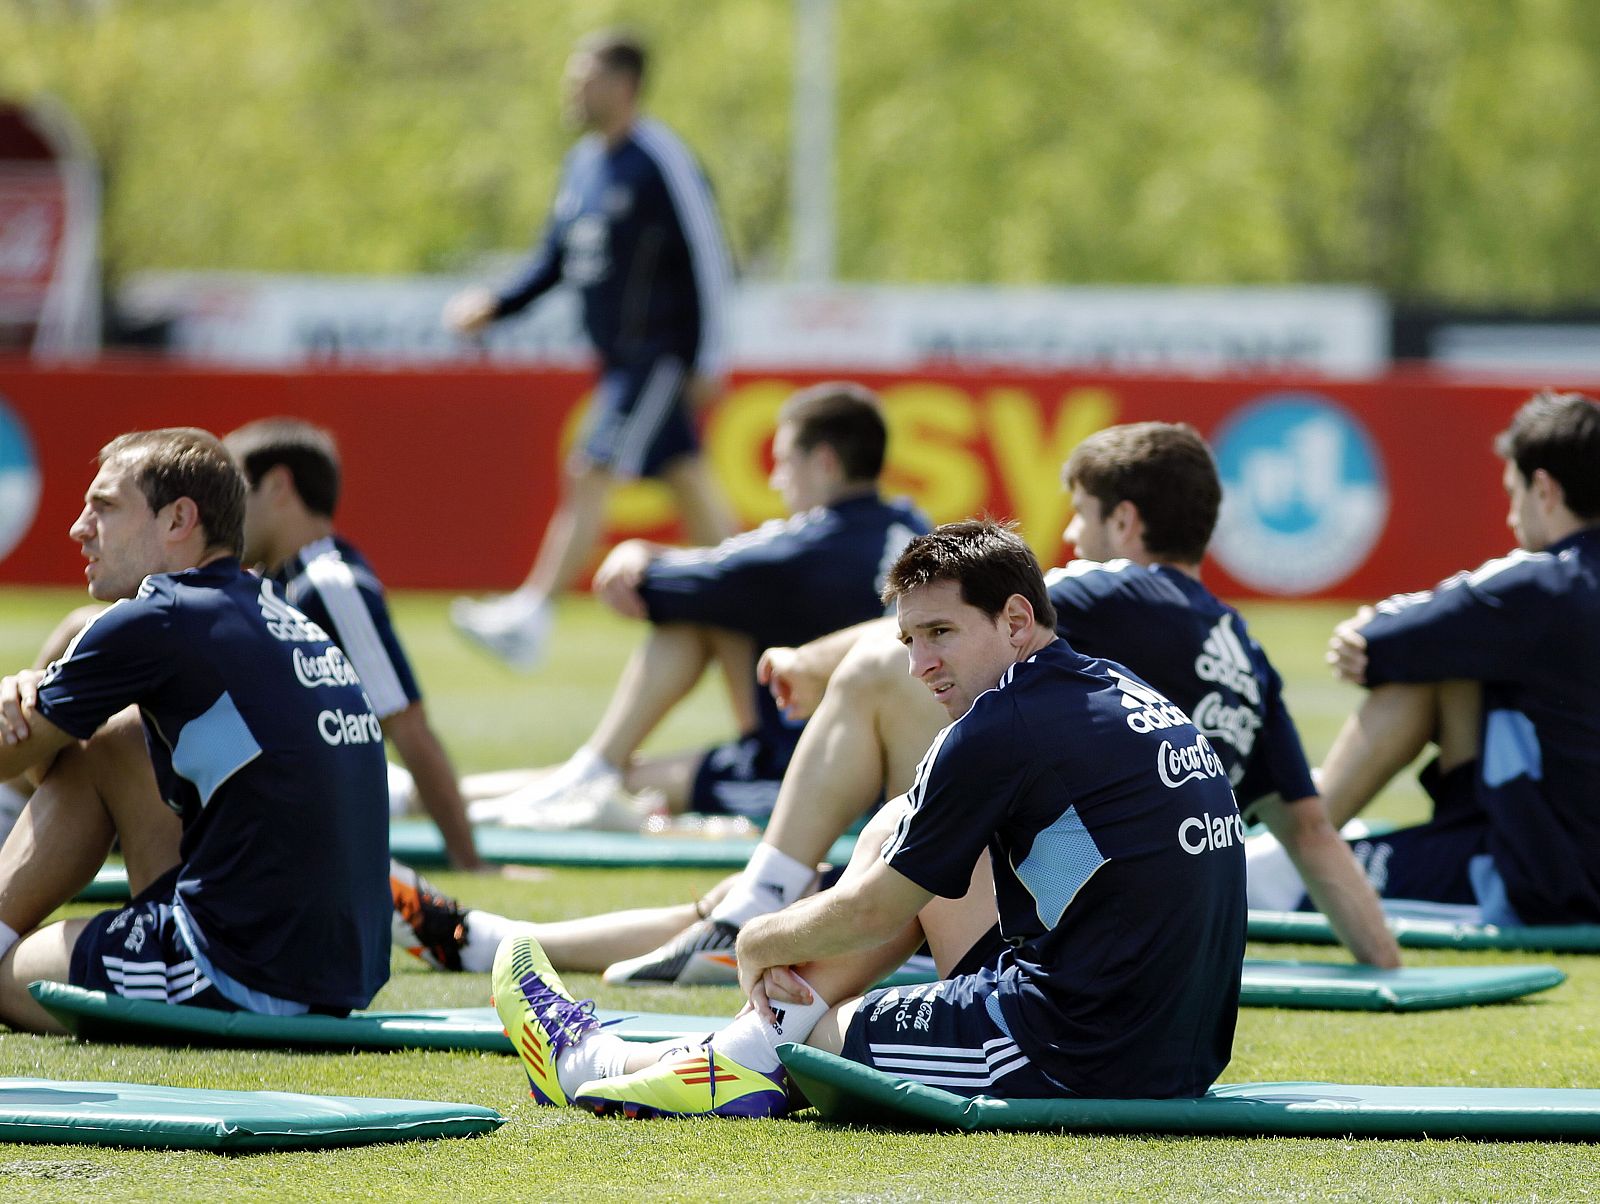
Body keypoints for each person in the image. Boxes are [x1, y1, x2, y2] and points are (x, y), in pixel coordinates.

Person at [491, 520, 1246, 1118]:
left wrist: (755, 938)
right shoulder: (1110, 684)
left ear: (1017, 619)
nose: (920, 667)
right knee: (898, 827)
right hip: (1178, 1044)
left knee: (812, 1043)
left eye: (941, 634)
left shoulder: (1000, 725)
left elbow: (871, 909)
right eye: (909, 641)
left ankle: (604, 1064)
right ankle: (729, 1051)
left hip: (1079, 1047)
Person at [0, 429, 391, 1033]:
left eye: (104, 507)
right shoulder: (271, 608)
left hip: (246, 971)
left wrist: (11, 691)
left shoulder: (160, 614)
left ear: (180, 518)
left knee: (8, 978)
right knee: (111, 739)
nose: (80, 528)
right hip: (338, 972)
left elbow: (8, 758)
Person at [468, 382, 926, 830]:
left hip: (809, 768)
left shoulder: (802, 548)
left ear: (824, 462)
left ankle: (585, 770)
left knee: (692, 623)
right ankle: (563, 774)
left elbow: (651, 587)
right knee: (620, 775)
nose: (775, 479)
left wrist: (636, 552)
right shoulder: (911, 523)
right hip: (878, 751)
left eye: (784, 462)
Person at [446, 28, 737, 670]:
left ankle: (532, 614)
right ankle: (769, 594)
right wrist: (497, 305)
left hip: (659, 356)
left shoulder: (660, 158)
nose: (572, 89)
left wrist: (711, 357)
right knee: (690, 484)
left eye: (586, 78)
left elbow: (711, 259)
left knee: (590, 468)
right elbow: (557, 258)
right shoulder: (583, 165)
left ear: (624, 86)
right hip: (618, 362)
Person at [1253, 391, 1600, 926]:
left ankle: (1294, 854)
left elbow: (1379, 642)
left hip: (1546, 878)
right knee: (1454, 653)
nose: (1511, 517)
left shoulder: (1539, 583)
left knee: (1298, 883)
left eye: (1515, 495)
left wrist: (1367, 632)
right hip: (1546, 843)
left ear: (1546, 489)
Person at [222, 418, 482, 871]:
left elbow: (409, 729)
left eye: (235, 491)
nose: (222, 512)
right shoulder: (271, 581)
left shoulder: (330, 585)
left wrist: (470, 863)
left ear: (279, 485)